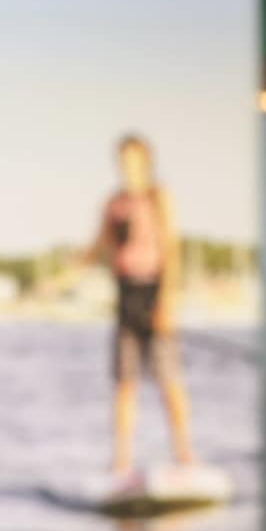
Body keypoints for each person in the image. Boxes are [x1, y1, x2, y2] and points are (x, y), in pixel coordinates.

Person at [94, 132, 196, 483]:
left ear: (146, 162)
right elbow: (99, 246)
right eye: (123, 160)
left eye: (134, 160)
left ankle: (184, 453)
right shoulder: (113, 203)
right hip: (126, 296)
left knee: (169, 380)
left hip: (155, 293)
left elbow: (172, 250)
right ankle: (120, 460)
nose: (128, 167)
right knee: (125, 383)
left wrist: (167, 302)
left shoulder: (158, 197)